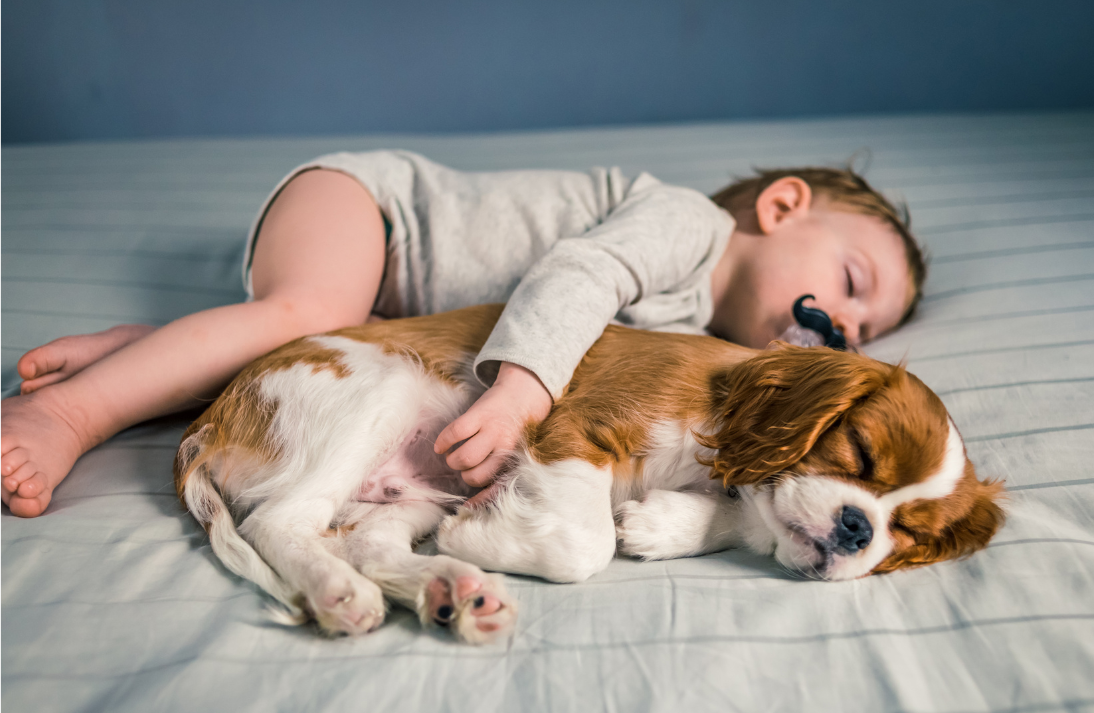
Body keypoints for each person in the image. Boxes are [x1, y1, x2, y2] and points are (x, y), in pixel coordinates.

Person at [1, 152, 925, 518]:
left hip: (382, 323)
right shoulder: (690, 230)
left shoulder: (689, 334)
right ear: (782, 206)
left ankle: (158, 350)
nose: (843, 326)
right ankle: (72, 416)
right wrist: (522, 390)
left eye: (862, 329)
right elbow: (573, 278)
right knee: (308, 317)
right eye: (851, 285)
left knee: (314, 346)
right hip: (372, 210)